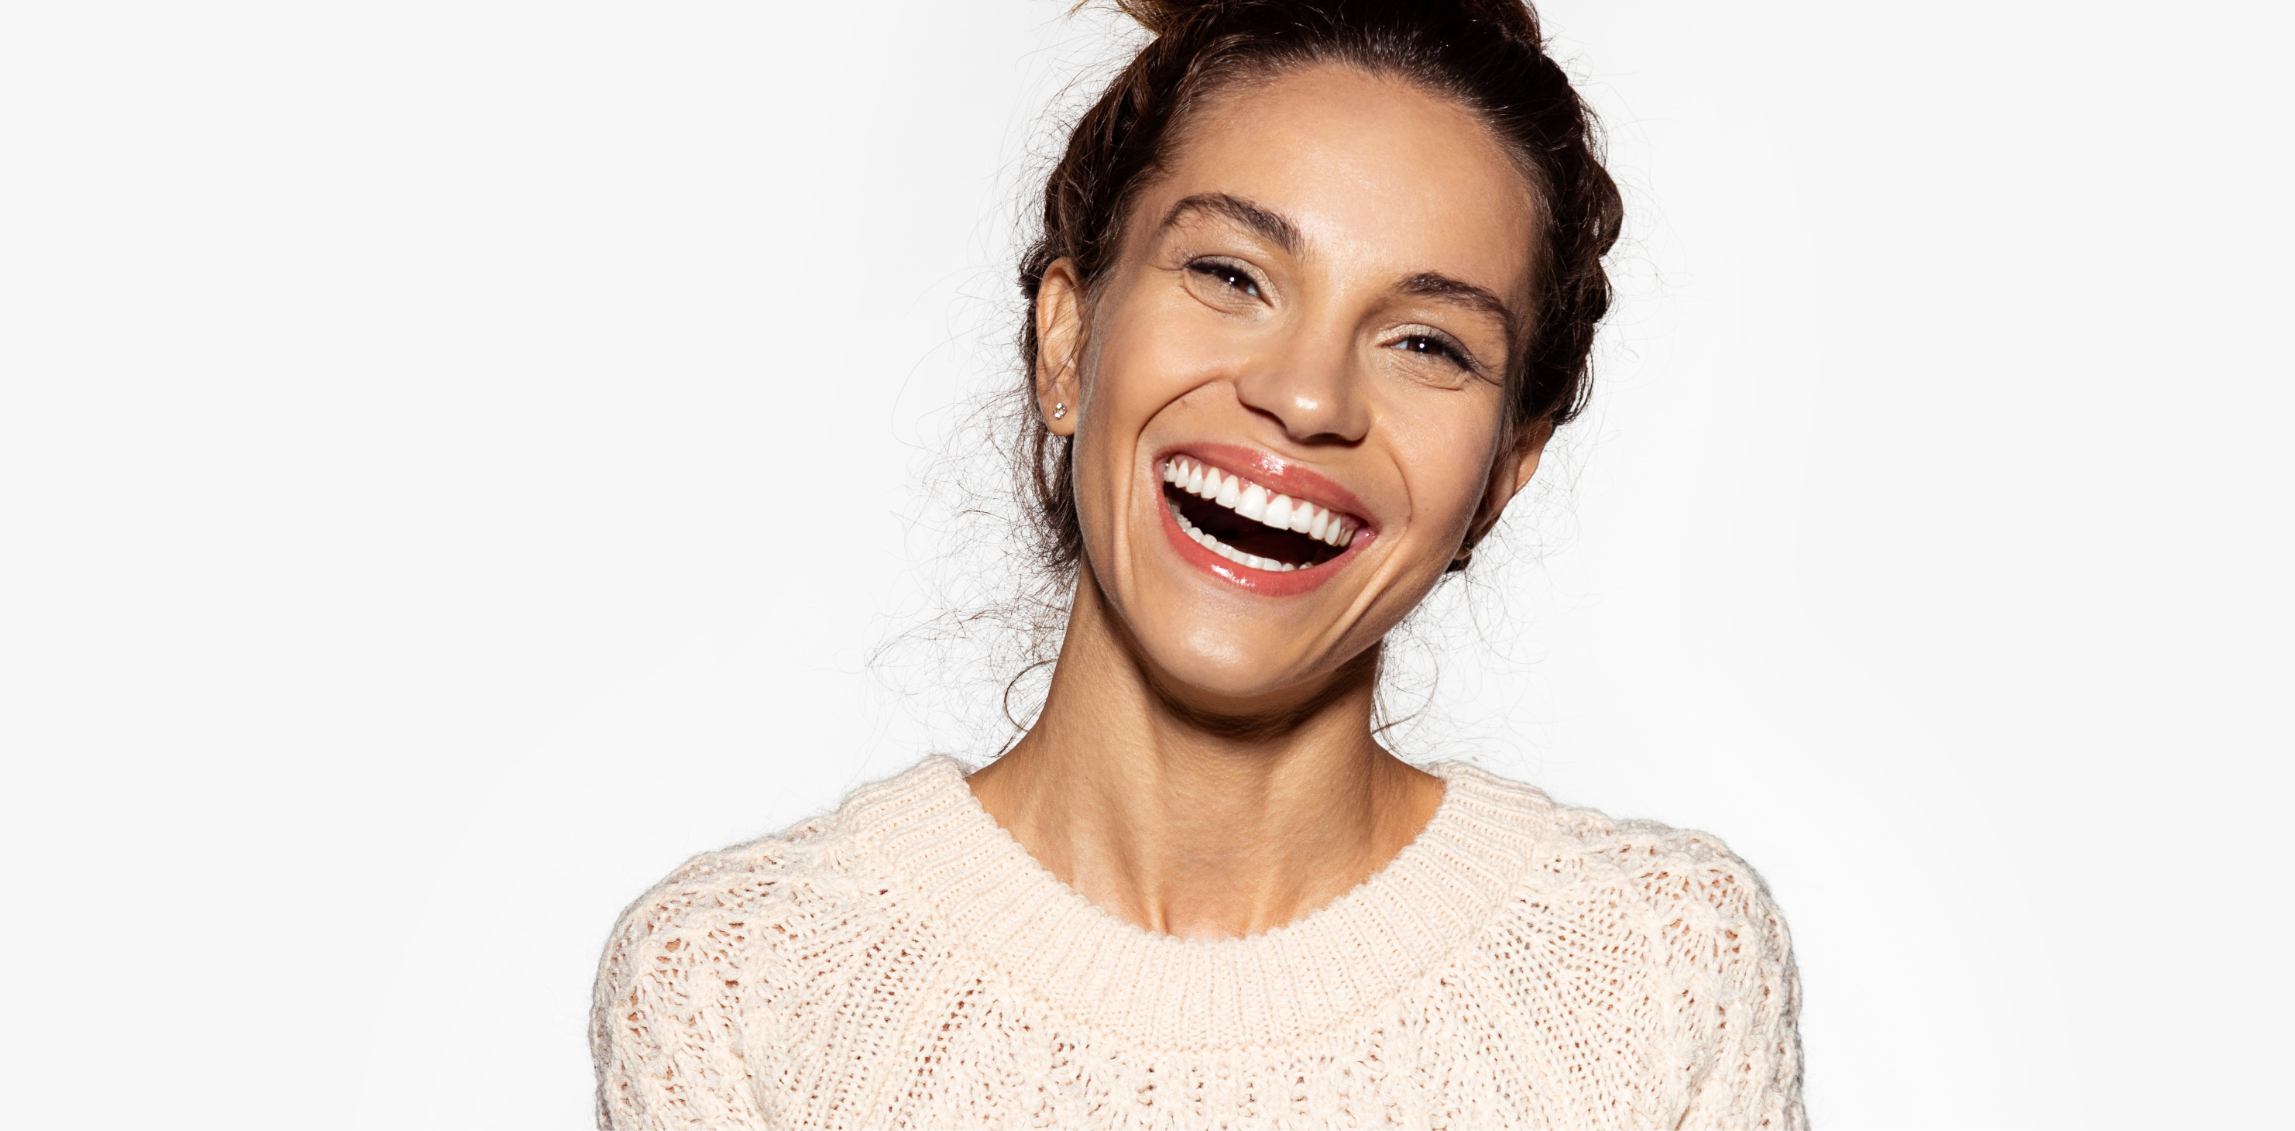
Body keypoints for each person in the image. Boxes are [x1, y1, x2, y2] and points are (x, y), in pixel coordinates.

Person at [590, 0, 1804, 1125]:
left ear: (1502, 475)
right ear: (1067, 340)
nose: (1306, 395)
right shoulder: (742, 989)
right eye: (1230, 275)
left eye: (1428, 343)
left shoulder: (1659, 975)